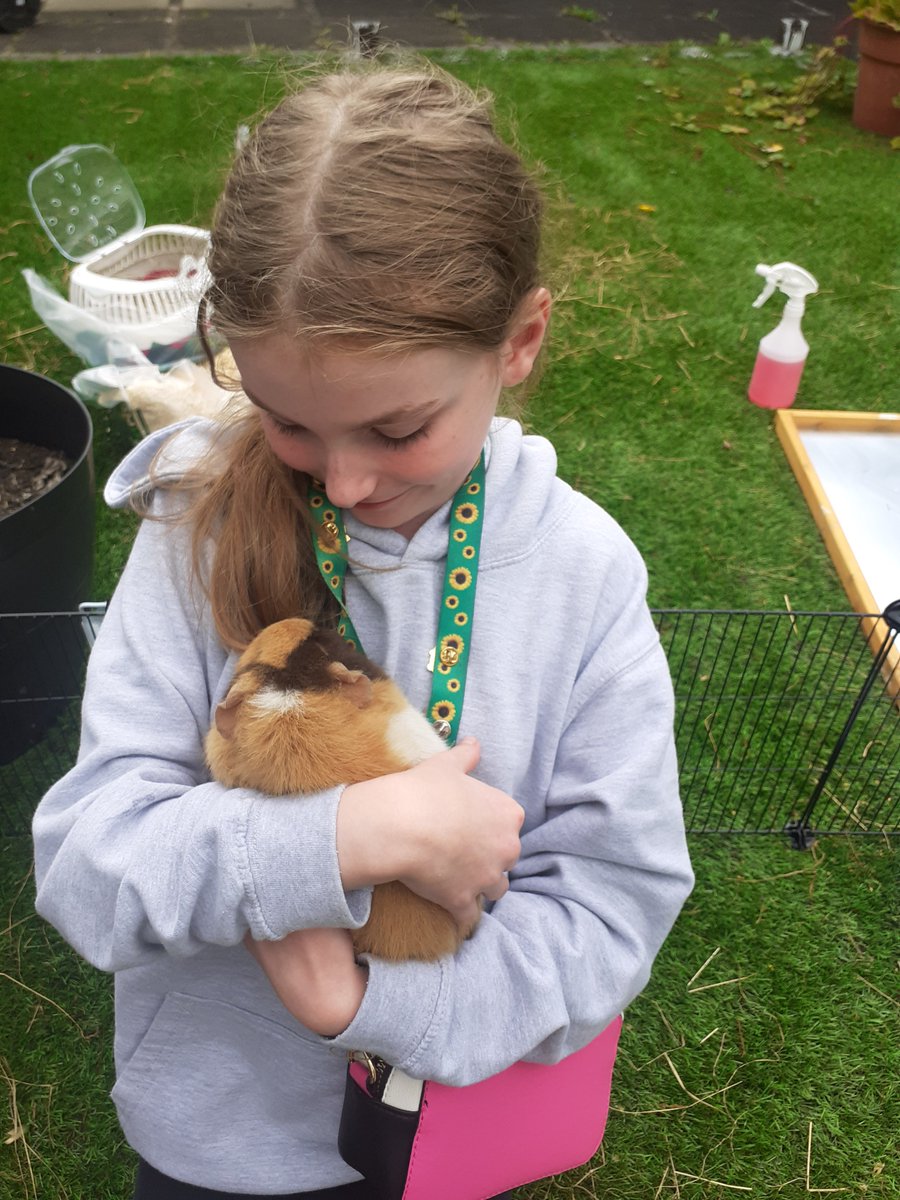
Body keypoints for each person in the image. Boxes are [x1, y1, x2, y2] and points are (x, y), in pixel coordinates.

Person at [32, 62, 694, 1200]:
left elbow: (613, 904)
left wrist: (370, 1009)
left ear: (521, 341)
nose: (342, 482)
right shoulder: (196, 527)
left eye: (399, 427)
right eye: (288, 421)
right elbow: (89, 864)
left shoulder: (585, 578)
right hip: (217, 1148)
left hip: (450, 1135)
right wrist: (351, 841)